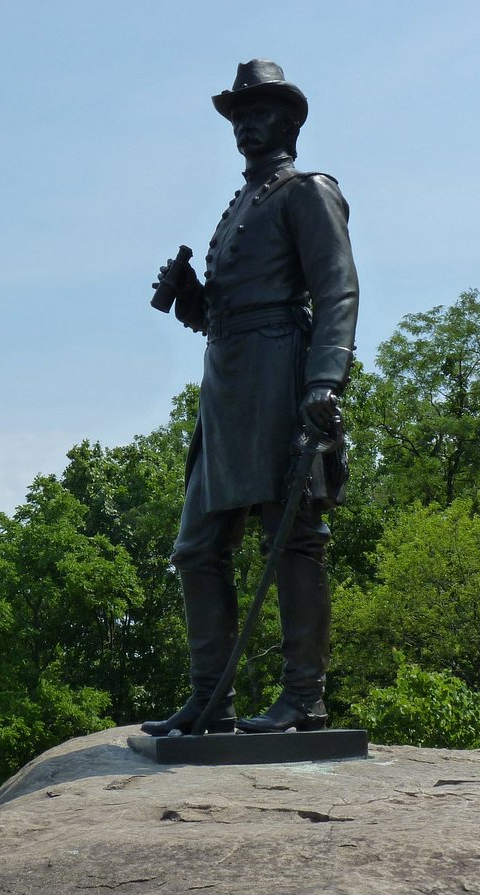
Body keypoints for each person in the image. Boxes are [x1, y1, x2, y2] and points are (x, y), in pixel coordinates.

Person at [142, 60, 359, 736]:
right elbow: (229, 313)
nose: (248, 124)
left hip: (279, 373)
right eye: (240, 115)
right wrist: (193, 303)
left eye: (261, 112)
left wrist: (323, 382)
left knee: (293, 538)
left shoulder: (306, 192)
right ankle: (212, 698)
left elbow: (336, 291)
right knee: (197, 548)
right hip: (228, 380)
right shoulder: (243, 200)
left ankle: (304, 698)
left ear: (291, 121)